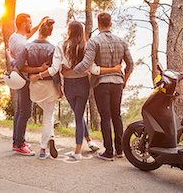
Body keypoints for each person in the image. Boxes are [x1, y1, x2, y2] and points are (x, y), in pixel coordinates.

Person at [30, 21, 122, 160]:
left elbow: (55, 69)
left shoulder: (61, 45)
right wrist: (114, 69)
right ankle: (88, 141)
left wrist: (38, 76)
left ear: (69, 31)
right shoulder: (86, 46)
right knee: (78, 115)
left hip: (69, 86)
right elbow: (94, 69)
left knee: (78, 115)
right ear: (81, 31)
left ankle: (78, 151)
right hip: (83, 84)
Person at [72, 12, 134, 161]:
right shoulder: (122, 41)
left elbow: (86, 64)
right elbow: (130, 64)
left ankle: (108, 152)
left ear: (98, 23)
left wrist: (72, 71)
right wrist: (124, 79)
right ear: (110, 24)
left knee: (105, 117)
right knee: (116, 116)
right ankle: (120, 150)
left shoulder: (94, 42)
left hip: (101, 83)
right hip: (118, 83)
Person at [16, 19, 61, 160]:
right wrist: (60, 88)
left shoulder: (28, 47)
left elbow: (20, 67)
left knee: (48, 113)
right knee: (48, 116)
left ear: (39, 30)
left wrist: (34, 72)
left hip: (34, 86)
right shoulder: (53, 49)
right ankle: (43, 148)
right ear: (50, 32)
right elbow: (56, 71)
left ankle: (50, 137)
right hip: (49, 86)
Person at [8, 13, 48, 156]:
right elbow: (22, 67)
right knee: (25, 112)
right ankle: (20, 144)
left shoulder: (15, 37)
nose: (31, 25)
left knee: (19, 112)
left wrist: (40, 23)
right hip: (24, 79)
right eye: (30, 23)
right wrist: (40, 69)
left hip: (18, 79)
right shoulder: (22, 44)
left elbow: (28, 35)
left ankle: (16, 141)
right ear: (24, 24)